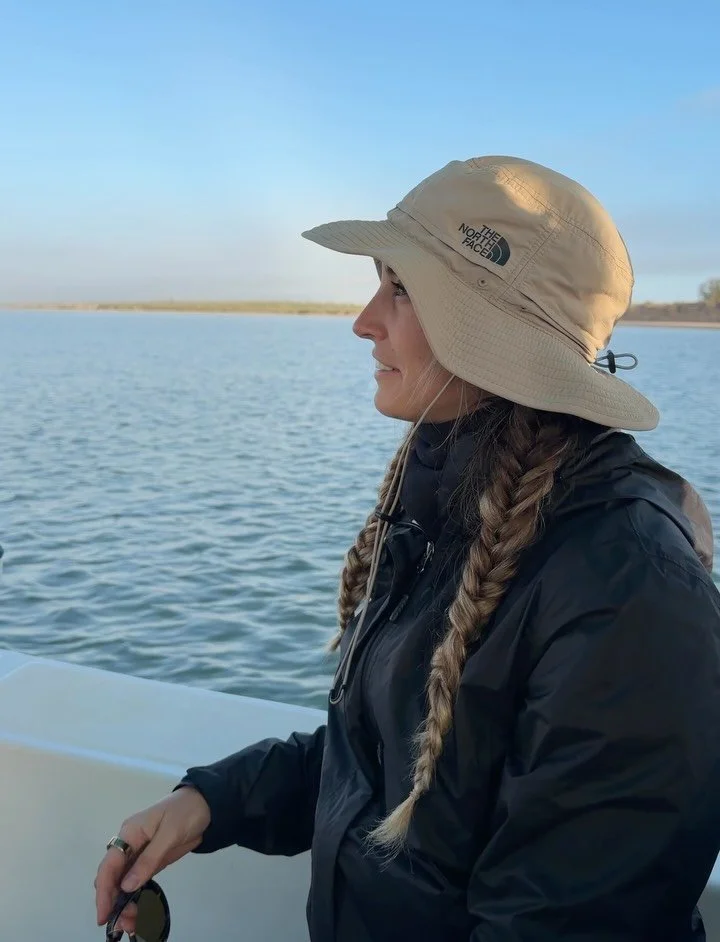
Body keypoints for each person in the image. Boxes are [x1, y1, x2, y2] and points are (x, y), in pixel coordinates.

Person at [95, 156, 720, 941]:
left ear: (490, 336)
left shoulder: (629, 594)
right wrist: (211, 802)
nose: (364, 320)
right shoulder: (457, 507)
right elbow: (389, 765)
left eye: (400, 288)